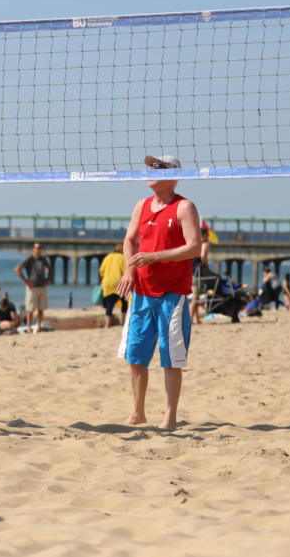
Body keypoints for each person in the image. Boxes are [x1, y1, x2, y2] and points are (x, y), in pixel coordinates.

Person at [116, 154, 201, 431]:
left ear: (174, 175)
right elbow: (129, 241)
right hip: (142, 292)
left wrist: (154, 257)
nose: (151, 171)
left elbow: (194, 248)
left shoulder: (184, 207)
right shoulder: (141, 206)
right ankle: (138, 411)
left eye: (158, 167)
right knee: (135, 355)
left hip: (172, 294)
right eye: (150, 166)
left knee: (170, 357)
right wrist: (130, 271)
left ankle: (170, 415)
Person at [16, 242, 52, 333]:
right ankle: (29, 327)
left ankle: (38, 327)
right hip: (32, 287)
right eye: (37, 247)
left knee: (41, 308)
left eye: (40, 248)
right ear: (33, 249)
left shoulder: (43, 259)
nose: (39, 249)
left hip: (42, 286)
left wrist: (48, 279)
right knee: (30, 309)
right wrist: (25, 280)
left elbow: (49, 268)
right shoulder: (29, 259)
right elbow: (18, 269)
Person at [99, 244, 127, 328]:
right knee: (124, 303)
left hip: (107, 283)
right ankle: (124, 321)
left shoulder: (108, 257)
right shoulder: (122, 258)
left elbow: (101, 271)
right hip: (119, 283)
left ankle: (107, 324)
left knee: (109, 304)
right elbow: (125, 271)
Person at [189, 227, 211, 325]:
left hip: (192, 272)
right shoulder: (205, 244)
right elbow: (203, 257)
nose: (208, 237)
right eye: (208, 235)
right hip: (198, 273)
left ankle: (196, 319)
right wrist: (207, 268)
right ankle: (190, 319)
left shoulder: (194, 243)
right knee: (195, 297)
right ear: (204, 235)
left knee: (196, 297)